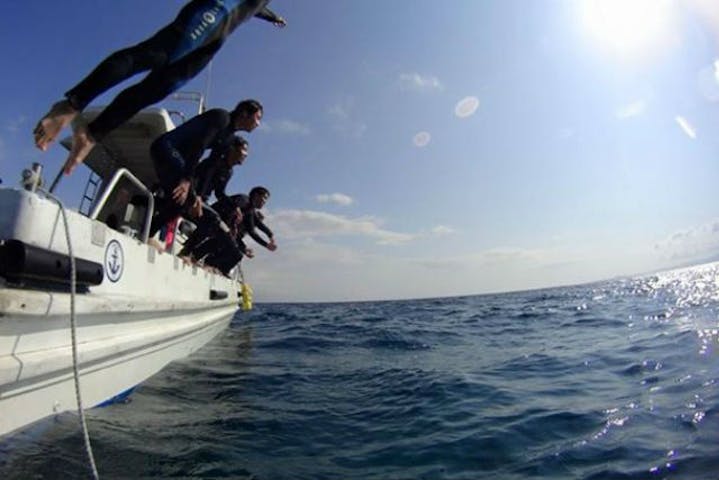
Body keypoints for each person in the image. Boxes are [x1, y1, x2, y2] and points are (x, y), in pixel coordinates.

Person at [32, 0, 286, 175]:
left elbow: (255, 7)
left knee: (161, 87)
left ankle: (93, 133)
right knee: (157, 54)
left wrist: (271, 16)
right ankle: (70, 105)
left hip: (220, 34)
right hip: (217, 9)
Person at [148, 99, 262, 239]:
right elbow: (199, 146)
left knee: (185, 201)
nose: (258, 123)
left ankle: (147, 226)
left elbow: (211, 167)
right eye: (257, 118)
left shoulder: (229, 138)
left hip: (179, 159)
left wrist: (200, 197)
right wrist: (186, 180)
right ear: (244, 114)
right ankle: (148, 227)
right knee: (185, 197)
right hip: (166, 147)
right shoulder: (221, 118)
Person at [182, 186, 276, 275]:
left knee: (234, 249)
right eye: (264, 198)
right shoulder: (244, 199)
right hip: (208, 218)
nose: (264, 202)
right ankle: (194, 256)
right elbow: (234, 203)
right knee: (226, 238)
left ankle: (212, 265)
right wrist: (236, 209)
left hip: (220, 227)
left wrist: (267, 242)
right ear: (256, 196)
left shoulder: (250, 211)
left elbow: (252, 231)